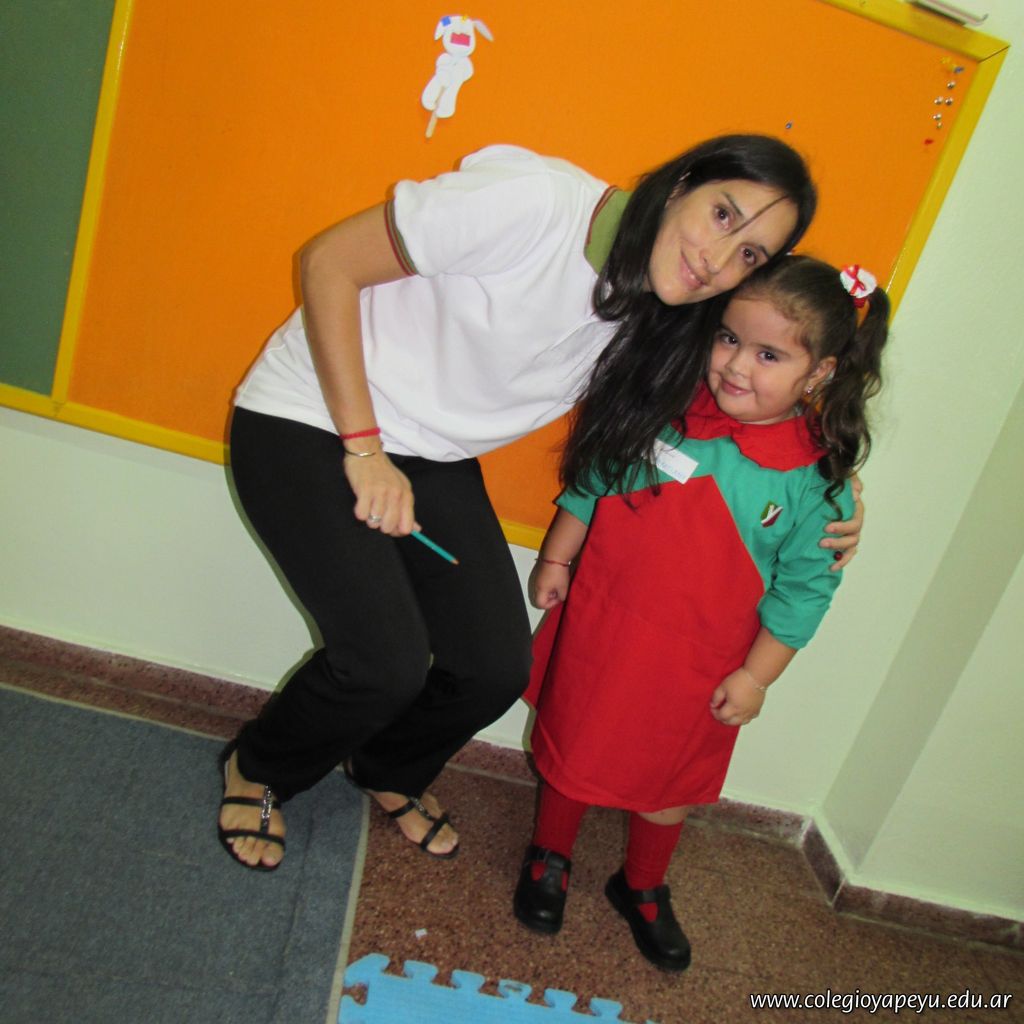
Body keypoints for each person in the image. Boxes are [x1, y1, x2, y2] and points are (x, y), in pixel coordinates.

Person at [217, 136, 864, 872]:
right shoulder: (536, 203)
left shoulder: (674, 311)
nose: (717, 260)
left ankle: (385, 766)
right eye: (723, 214)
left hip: (429, 455)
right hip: (310, 416)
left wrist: (834, 481)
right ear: (683, 181)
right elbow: (328, 262)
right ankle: (258, 767)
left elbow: (749, 399)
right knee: (384, 663)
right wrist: (364, 451)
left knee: (494, 667)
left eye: (749, 254)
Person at [513, 256, 890, 972]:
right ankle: (550, 853)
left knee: (672, 780)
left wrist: (757, 677)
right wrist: (557, 558)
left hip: (700, 664)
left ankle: (642, 884)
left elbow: (804, 592)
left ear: (820, 372)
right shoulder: (667, 409)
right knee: (571, 750)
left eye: (769, 355)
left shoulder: (817, 483)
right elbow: (595, 481)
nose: (736, 366)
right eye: (728, 338)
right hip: (604, 629)